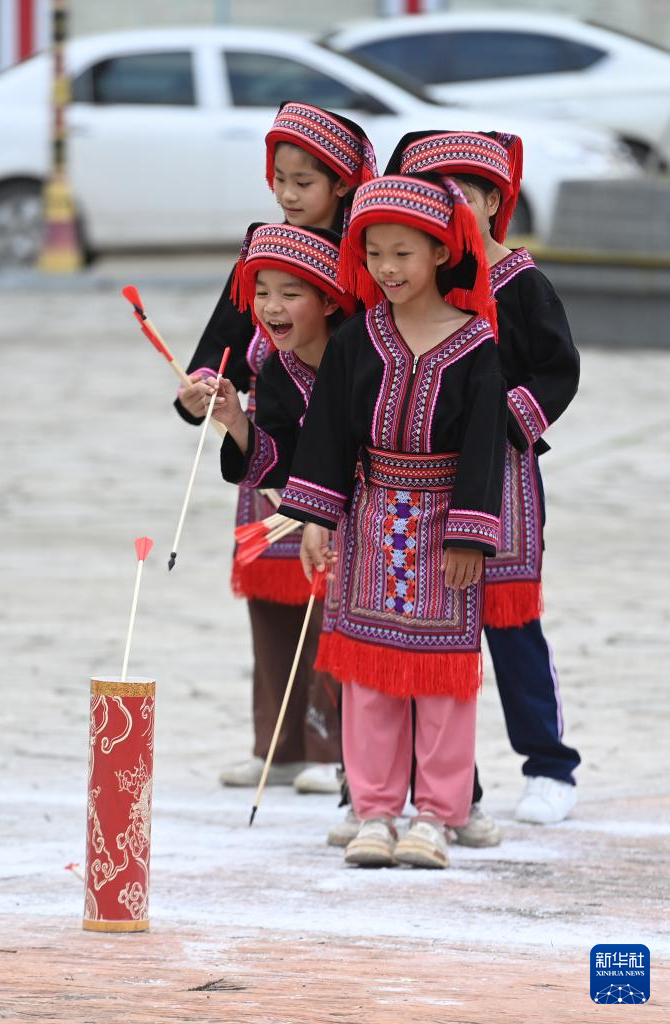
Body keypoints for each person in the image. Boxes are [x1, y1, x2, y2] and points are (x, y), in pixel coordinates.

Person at [279, 172, 507, 868]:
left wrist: (470, 535)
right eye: (374, 252)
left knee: (443, 678)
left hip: (445, 529)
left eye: (403, 253)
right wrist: (316, 518)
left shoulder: (476, 344)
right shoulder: (356, 340)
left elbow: (485, 448)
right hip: (372, 521)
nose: (386, 268)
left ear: (439, 252)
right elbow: (328, 433)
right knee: (369, 673)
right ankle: (374, 809)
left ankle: (437, 814)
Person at [176, 103, 377, 793]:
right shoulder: (263, 246)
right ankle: (278, 744)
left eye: (303, 182)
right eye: (279, 180)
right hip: (269, 437)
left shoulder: (367, 255)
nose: (288, 195)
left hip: (342, 448)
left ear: (343, 183)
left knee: (333, 596)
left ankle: (332, 746)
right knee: (271, 595)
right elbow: (224, 341)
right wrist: (204, 389)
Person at [385, 130, 581, 825]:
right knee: (428, 630)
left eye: (462, 195)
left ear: (494, 201)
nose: (449, 208)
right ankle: (447, 783)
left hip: (503, 476)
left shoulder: (523, 283)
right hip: (426, 482)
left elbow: (559, 370)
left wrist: (500, 420)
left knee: (509, 620)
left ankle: (550, 765)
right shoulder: (424, 284)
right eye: (434, 196)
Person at [196, 222, 356, 778]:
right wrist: (236, 421)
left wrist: (324, 511)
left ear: (329, 300)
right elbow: (280, 457)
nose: (270, 307)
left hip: (381, 517)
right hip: (321, 515)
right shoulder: (280, 370)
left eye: (290, 293)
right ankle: (295, 754)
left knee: (354, 635)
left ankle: (350, 760)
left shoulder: (366, 356)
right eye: (262, 292)